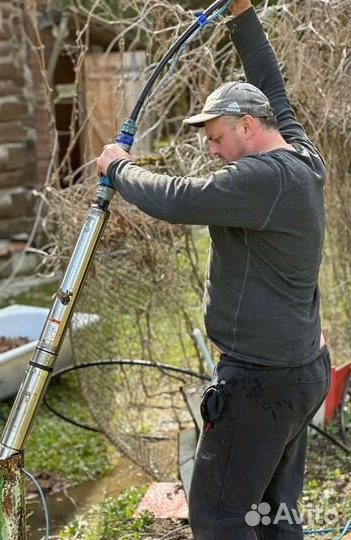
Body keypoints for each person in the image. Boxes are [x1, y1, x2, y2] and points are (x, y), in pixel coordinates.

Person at [97, 1, 331, 538]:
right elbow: (273, 88)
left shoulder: (260, 179)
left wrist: (118, 167)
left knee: (220, 516)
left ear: (247, 126)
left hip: (258, 383)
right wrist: (243, 16)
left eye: (216, 136)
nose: (212, 148)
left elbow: (178, 200)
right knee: (273, 513)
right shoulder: (301, 155)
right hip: (300, 370)